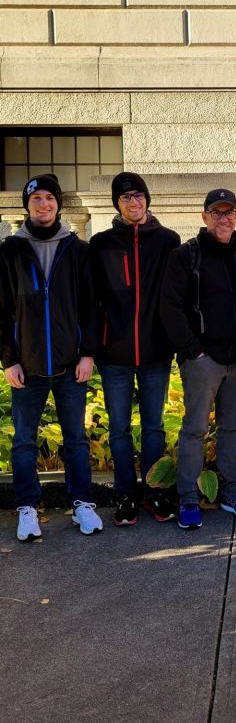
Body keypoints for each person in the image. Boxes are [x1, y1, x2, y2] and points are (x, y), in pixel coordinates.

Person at [0, 174, 102, 540]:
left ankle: (82, 503)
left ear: (59, 204)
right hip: (25, 366)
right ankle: (28, 507)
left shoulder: (78, 249)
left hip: (69, 363)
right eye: (36, 199)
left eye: (49, 198)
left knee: (75, 437)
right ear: (26, 205)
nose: (43, 205)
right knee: (24, 440)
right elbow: (2, 310)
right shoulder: (9, 250)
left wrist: (87, 353)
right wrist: (8, 359)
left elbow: (91, 307)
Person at [160, 189, 236, 530]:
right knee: (195, 430)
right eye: (216, 213)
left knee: (230, 428)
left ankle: (231, 492)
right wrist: (194, 351)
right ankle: (188, 498)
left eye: (229, 212)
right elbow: (170, 308)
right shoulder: (185, 255)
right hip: (203, 360)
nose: (224, 218)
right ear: (204, 217)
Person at [90, 172, 181, 527]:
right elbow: (92, 299)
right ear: (117, 203)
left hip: (156, 352)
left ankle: (155, 490)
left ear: (147, 199)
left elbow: (176, 296)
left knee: (155, 426)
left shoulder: (168, 240)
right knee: (118, 428)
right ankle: (126, 493)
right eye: (126, 198)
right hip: (115, 354)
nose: (133, 202)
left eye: (139, 196)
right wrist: (97, 342)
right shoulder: (101, 244)